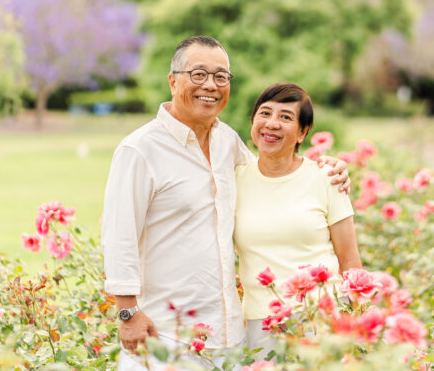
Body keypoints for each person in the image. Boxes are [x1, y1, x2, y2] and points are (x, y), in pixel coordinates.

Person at [100, 36, 350, 370]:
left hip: (228, 336)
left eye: (221, 77)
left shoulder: (227, 141)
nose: (211, 85)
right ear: (173, 81)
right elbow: (119, 234)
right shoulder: (140, 150)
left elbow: (271, 176)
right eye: (198, 74)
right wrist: (127, 311)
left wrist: (326, 168)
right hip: (164, 334)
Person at [234, 83, 362, 359]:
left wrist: (356, 327)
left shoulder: (326, 177)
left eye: (286, 117)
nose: (272, 124)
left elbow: (349, 259)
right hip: (262, 324)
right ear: (253, 122)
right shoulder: (233, 180)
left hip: (323, 319)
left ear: (303, 133)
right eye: (265, 113)